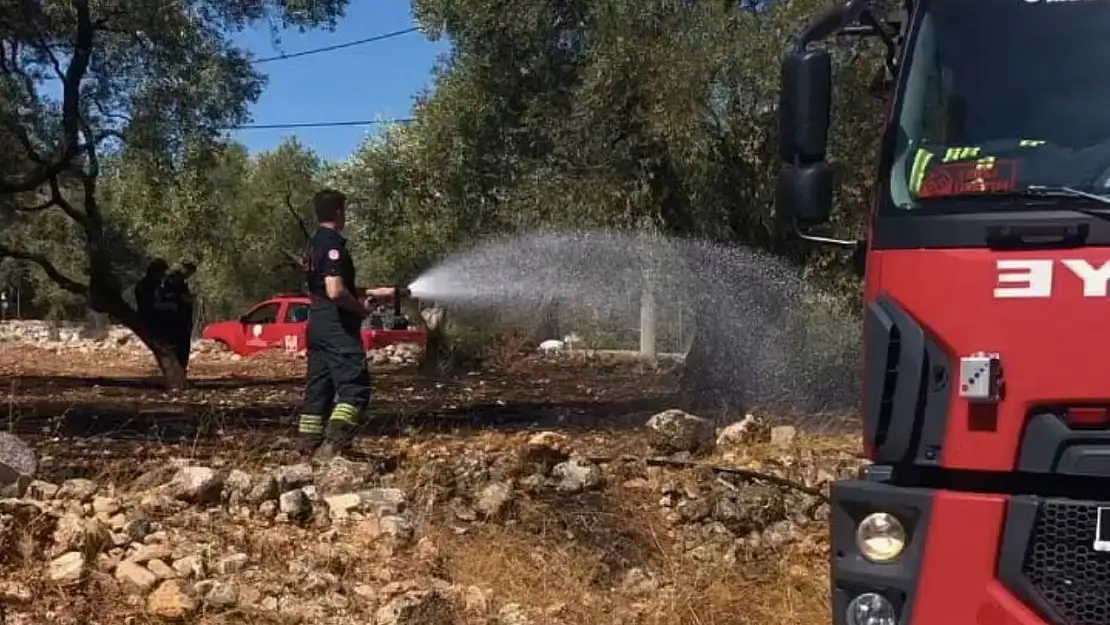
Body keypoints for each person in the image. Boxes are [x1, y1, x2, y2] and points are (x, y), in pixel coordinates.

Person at [297, 188, 407, 459]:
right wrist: (360, 311)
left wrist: (376, 292)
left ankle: (306, 448)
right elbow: (335, 290)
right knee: (355, 388)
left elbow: (326, 289)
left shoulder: (314, 245)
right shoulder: (333, 245)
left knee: (318, 390)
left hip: (317, 324)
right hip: (337, 327)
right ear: (338, 212)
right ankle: (334, 446)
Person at [160, 261, 197, 369]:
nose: (189, 275)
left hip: (177, 319)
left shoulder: (174, 280)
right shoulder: (175, 281)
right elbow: (182, 298)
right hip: (179, 320)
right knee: (180, 347)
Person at [134, 259, 169, 339]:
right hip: (149, 320)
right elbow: (151, 304)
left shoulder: (157, 285)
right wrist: (170, 305)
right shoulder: (144, 286)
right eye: (162, 272)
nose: (163, 275)